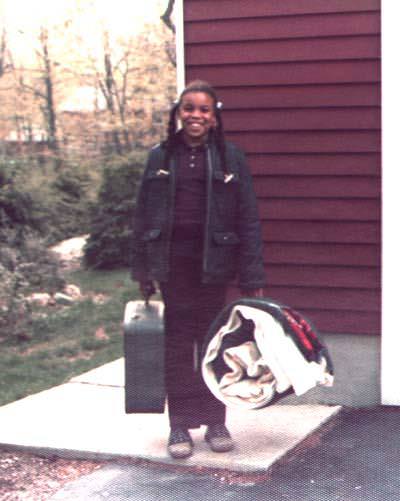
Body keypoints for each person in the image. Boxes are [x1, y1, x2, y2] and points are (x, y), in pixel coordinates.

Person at [130, 80, 266, 459]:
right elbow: (142, 215)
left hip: (215, 265)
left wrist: (251, 274)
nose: (196, 116)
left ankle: (215, 420)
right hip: (173, 266)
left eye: (204, 110)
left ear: (214, 117)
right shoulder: (160, 156)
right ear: (179, 113)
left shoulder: (229, 158)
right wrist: (142, 269)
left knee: (212, 344)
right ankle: (179, 426)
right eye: (189, 108)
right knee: (177, 345)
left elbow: (248, 218)